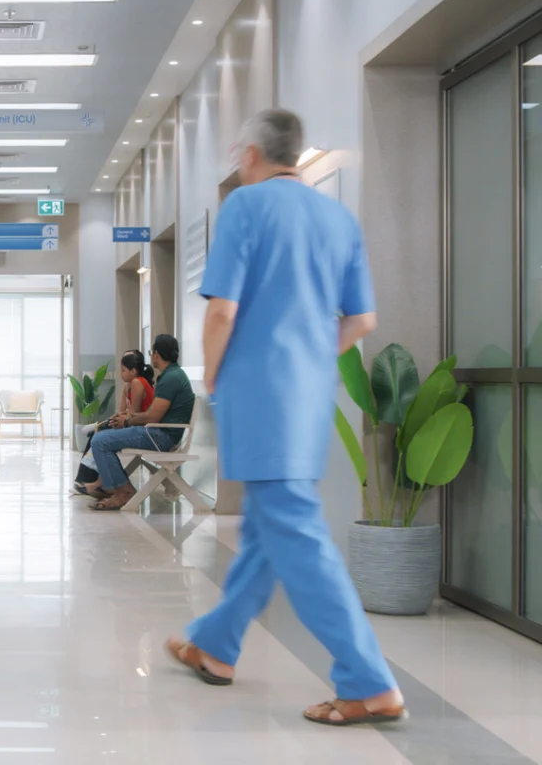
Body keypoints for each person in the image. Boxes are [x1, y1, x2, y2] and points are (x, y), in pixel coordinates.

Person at [165, 109, 406, 727]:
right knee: (270, 525)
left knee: (292, 528)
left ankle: (369, 681)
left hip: (258, 391)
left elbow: (222, 311)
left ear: (250, 154)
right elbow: (362, 321)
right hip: (307, 394)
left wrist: (215, 371)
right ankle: (215, 645)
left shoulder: (246, 209)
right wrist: (308, 354)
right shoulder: (338, 217)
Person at [78, 334, 195, 510]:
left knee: (100, 440)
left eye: (151, 352)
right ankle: (113, 487)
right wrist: (127, 419)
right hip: (158, 432)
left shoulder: (171, 378)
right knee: (102, 437)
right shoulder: (171, 375)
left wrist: (127, 421)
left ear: (156, 354)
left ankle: (122, 491)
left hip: (161, 436)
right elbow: (151, 414)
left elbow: (152, 417)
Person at [72, 351, 154, 487]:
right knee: (96, 434)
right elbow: (123, 410)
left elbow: (134, 414)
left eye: (123, 370)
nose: (121, 374)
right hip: (133, 424)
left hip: (139, 428)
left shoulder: (138, 383)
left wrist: (120, 417)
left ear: (133, 371)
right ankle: (85, 479)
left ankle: (86, 480)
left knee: (98, 435)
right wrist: (124, 392)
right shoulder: (132, 384)